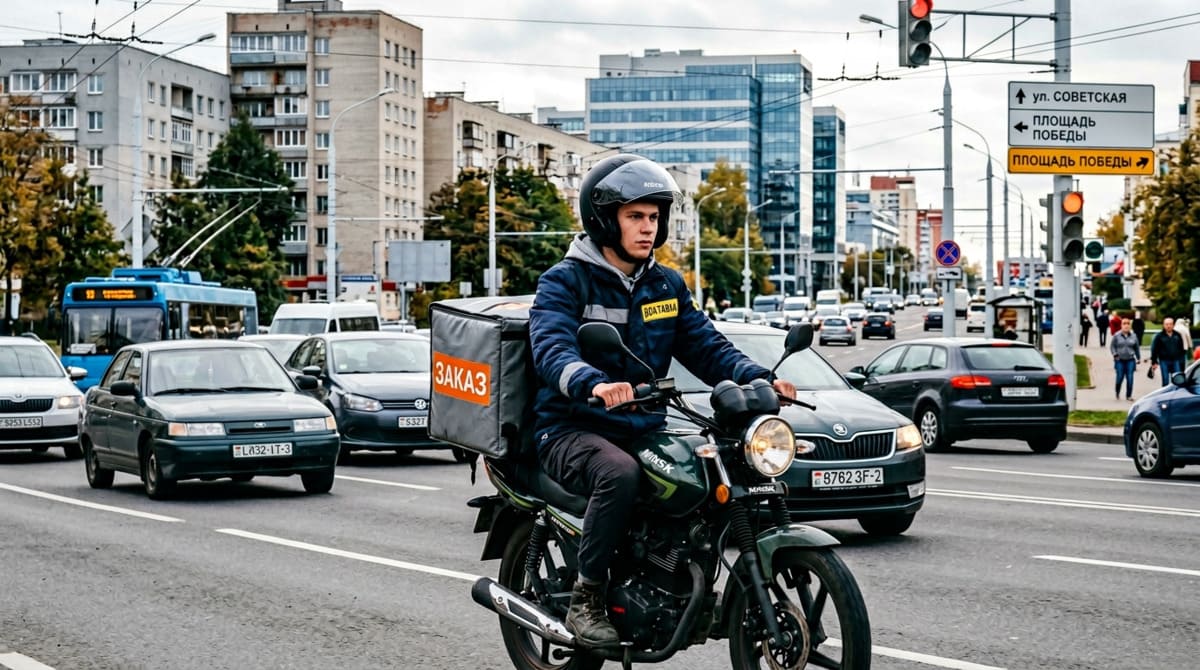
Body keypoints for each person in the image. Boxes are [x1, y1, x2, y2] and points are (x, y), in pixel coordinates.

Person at [528, 154, 797, 648]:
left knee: (704, 469)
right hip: (570, 426)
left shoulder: (665, 283)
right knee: (620, 474)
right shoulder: (565, 280)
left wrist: (758, 378)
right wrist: (591, 381)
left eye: (654, 217)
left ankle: (670, 578)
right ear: (604, 218)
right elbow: (551, 347)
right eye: (635, 216)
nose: (647, 227)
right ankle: (587, 597)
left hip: (642, 423)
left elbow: (704, 344)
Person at [1149, 317, 1187, 386]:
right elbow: (1154, 349)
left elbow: (1181, 348)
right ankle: (1165, 395)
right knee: (1165, 380)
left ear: (1173, 325)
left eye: (1170, 324)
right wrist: (1154, 361)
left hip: (1176, 360)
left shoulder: (1177, 335)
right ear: (1163, 325)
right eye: (1166, 324)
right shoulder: (1159, 336)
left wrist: (1182, 360)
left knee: (1177, 379)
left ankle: (1176, 395)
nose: (1168, 326)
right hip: (1164, 361)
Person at [1110, 319, 1140, 401]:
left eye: (1128, 324)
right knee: (1119, 377)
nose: (1126, 325)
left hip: (1130, 360)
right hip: (1119, 360)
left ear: (1130, 325)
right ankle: (1117, 391)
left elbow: (1136, 348)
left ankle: (1129, 395)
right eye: (1124, 324)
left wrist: (1138, 358)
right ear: (1121, 325)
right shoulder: (1117, 335)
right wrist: (1115, 354)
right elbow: (1112, 346)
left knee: (1130, 378)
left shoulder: (1134, 336)